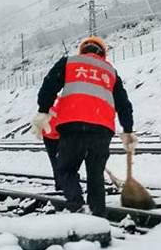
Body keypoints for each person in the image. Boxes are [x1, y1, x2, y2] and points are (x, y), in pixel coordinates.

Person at [30, 36, 137, 217]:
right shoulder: (110, 71)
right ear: (102, 53)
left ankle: (77, 206)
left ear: (82, 50)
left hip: (73, 126)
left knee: (66, 169)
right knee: (96, 176)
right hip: (102, 129)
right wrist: (127, 130)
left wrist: (43, 110)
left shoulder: (69, 63)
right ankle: (98, 215)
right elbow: (124, 104)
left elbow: (49, 85)